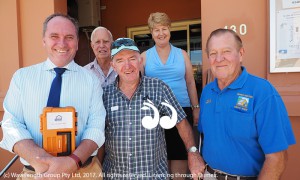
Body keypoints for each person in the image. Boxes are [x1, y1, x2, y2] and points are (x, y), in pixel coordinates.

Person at [0, 13, 106, 179]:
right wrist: (41, 162)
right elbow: (11, 123)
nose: (62, 43)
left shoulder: (91, 80)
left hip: (84, 173)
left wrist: (72, 162)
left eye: (69, 37)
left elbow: (96, 127)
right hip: (36, 173)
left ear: (77, 43)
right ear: (44, 40)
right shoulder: (22, 78)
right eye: (54, 36)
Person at [199, 28, 296, 179]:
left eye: (226, 51)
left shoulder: (263, 92)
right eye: (213, 53)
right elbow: (206, 136)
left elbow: (277, 157)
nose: (219, 59)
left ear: (241, 54)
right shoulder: (206, 92)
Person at [102, 37, 205, 179]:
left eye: (132, 58)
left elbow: (181, 122)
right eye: (120, 60)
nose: (127, 65)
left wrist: (193, 152)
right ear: (113, 66)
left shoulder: (158, 87)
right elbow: (99, 134)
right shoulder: (104, 95)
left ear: (140, 61)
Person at [141, 12, 200, 178]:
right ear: (151, 33)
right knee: (159, 156)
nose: (161, 33)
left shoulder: (182, 54)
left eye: (164, 28)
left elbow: (190, 82)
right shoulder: (144, 57)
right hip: (154, 113)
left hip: (181, 111)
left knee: (180, 154)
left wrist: (196, 108)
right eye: (156, 30)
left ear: (170, 30)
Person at [84, 26, 117, 164]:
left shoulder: (123, 69)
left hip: (119, 128)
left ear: (112, 44)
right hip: (95, 129)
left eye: (106, 41)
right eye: (97, 42)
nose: (102, 46)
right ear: (92, 46)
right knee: (97, 166)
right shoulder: (84, 73)